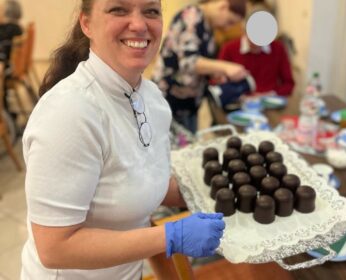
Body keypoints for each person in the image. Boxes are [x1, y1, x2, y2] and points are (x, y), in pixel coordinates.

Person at [21, 0, 225, 279]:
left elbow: (135, 184)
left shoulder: (152, 98)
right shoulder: (69, 113)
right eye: (119, 9)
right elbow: (55, 247)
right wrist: (170, 236)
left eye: (151, 11)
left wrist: (210, 192)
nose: (139, 25)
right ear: (87, 23)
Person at [152, 0, 249, 133]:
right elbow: (188, 62)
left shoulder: (207, 25)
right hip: (170, 101)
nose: (227, 28)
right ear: (223, 6)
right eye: (230, 22)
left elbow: (200, 60)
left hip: (189, 102)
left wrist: (213, 73)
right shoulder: (192, 17)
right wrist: (226, 67)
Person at [217, 3, 295, 97]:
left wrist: (269, 95)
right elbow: (217, 81)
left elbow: (289, 84)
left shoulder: (278, 48)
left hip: (270, 102)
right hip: (239, 103)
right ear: (244, 30)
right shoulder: (229, 48)